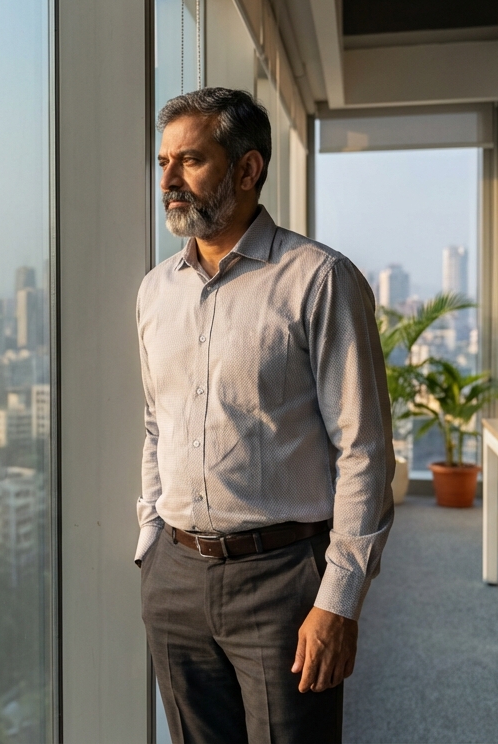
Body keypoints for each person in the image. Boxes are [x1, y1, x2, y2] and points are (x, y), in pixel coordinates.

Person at [136, 87, 394, 744]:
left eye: (191, 160)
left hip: (283, 581)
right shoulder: (156, 290)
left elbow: (364, 450)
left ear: (248, 169)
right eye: (163, 162)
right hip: (175, 578)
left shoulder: (319, 279)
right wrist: (150, 543)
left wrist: (339, 600)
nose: (168, 181)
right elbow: (157, 424)